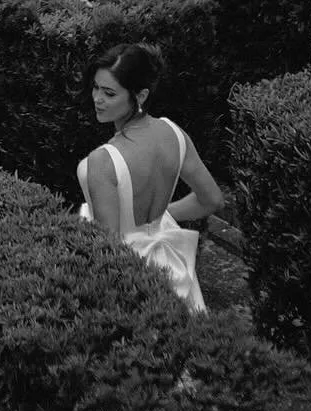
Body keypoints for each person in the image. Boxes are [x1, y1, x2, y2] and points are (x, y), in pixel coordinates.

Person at [76, 41, 224, 314]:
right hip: (172, 268)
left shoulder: (103, 160)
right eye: (95, 87)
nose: (97, 99)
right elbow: (212, 199)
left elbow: (110, 253)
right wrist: (161, 217)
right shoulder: (173, 133)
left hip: (129, 281)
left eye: (109, 93)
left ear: (140, 95)